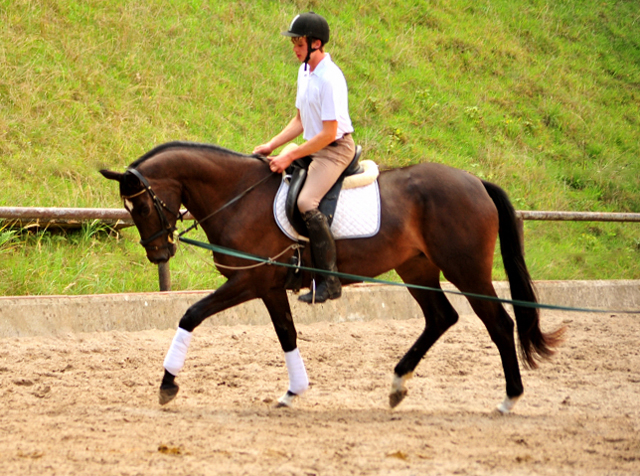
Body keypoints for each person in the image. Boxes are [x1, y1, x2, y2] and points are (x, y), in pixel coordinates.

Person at [254, 12, 355, 304]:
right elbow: (300, 120)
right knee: (273, 173)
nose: (294, 49)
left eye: (299, 44)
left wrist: (292, 155)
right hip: (313, 146)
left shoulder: (331, 78)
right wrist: (272, 145)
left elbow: (327, 134)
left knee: (306, 202)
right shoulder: (305, 71)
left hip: (334, 149)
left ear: (316, 43)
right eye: (294, 43)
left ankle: (331, 280)